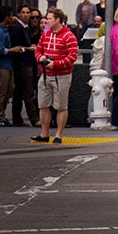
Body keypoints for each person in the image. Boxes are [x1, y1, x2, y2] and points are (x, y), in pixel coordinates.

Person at [32, 8, 78, 144]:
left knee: (61, 106)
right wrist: (41, 58)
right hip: (46, 75)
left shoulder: (69, 36)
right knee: (43, 105)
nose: (47, 21)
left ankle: (59, 135)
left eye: (50, 18)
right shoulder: (46, 34)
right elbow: (38, 50)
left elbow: (72, 57)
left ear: (58, 19)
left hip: (62, 76)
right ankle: (44, 133)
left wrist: (55, 64)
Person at [9, 4, 39, 127]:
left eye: (28, 12)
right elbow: (16, 47)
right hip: (22, 63)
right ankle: (34, 119)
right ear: (19, 14)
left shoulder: (26, 28)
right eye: (23, 12)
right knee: (28, 92)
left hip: (25, 62)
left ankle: (17, 118)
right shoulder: (17, 28)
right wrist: (29, 48)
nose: (26, 15)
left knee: (19, 92)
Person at [0, 7, 20, 127]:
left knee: (8, 90)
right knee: (1, 91)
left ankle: (2, 114)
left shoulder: (5, 29)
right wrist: (13, 50)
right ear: (6, 17)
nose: (12, 18)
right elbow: (0, 50)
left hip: (8, 64)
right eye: (10, 16)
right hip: (1, 65)